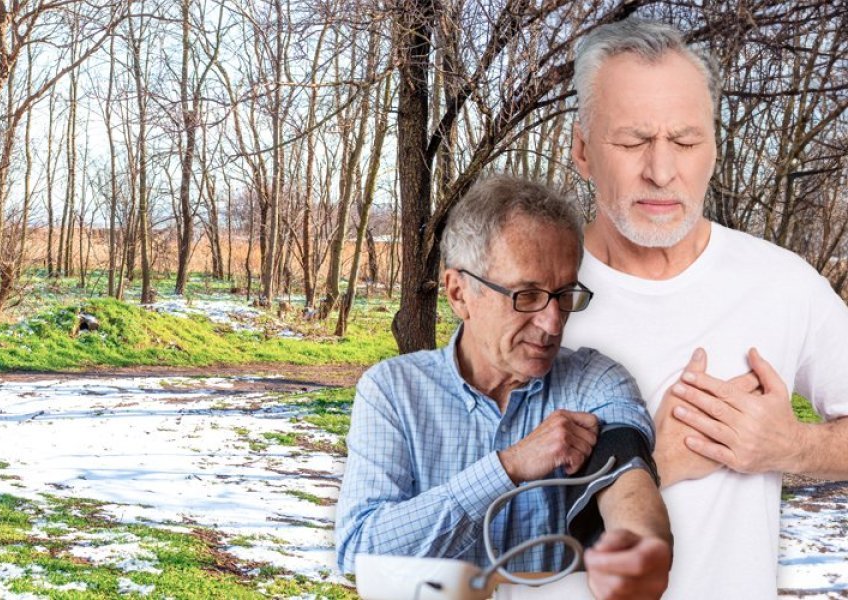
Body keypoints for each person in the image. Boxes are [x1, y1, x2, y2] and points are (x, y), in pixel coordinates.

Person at [564, 18, 848, 599]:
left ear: (714, 148)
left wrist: (791, 445)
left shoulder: (783, 284)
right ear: (583, 151)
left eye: (686, 141)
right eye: (632, 141)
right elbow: (465, 527)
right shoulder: (528, 301)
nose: (662, 171)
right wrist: (646, 467)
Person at [336, 175, 672, 599]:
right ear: (460, 293)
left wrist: (641, 546)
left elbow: (627, 472)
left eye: (564, 293)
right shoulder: (394, 392)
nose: (553, 324)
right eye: (527, 295)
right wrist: (507, 467)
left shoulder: (595, 381)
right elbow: (360, 553)